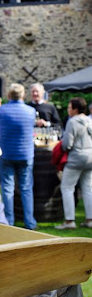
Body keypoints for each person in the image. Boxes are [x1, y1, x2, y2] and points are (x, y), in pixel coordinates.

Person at [0, 83, 37, 230]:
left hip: (6, 153)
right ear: (23, 95)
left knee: (7, 188)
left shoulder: (1, 110)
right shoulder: (31, 111)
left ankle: (9, 221)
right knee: (26, 188)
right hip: (25, 154)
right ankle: (30, 222)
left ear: (8, 95)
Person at [55, 97, 92, 230]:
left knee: (67, 188)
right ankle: (90, 219)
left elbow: (67, 144)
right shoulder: (89, 119)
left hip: (76, 158)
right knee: (88, 188)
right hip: (90, 158)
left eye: (69, 107)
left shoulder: (72, 122)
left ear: (75, 109)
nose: (68, 110)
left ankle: (69, 220)